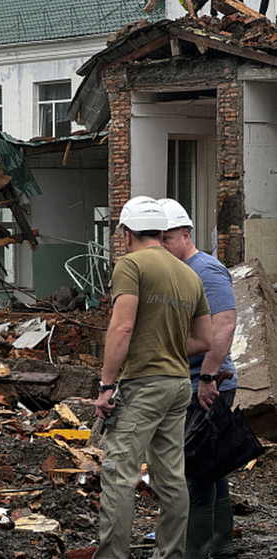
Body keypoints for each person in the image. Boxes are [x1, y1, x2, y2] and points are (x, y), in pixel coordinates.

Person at [94, 196, 212, 559]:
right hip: (178, 385)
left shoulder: (131, 266)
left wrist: (106, 384)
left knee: (118, 473)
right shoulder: (188, 273)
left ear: (127, 234)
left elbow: (123, 326)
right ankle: (172, 554)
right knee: (172, 477)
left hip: (142, 384)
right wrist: (168, 347)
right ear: (161, 232)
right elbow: (204, 338)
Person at [159, 198, 239, 559]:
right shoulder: (173, 272)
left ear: (186, 234)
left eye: (167, 238)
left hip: (208, 384)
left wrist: (207, 377)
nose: (161, 245)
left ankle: (196, 548)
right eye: (156, 238)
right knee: (211, 465)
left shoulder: (206, 270)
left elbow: (224, 324)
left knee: (194, 468)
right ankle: (221, 542)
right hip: (190, 382)